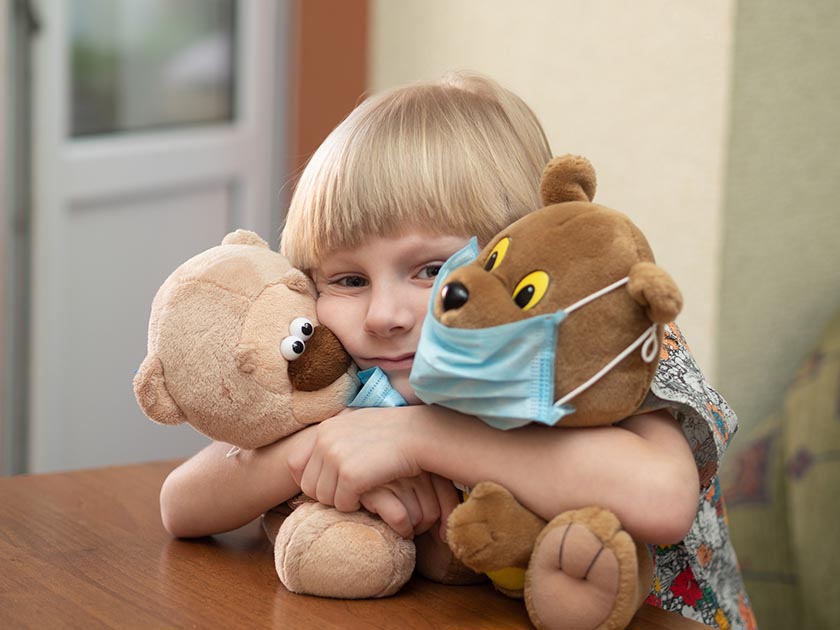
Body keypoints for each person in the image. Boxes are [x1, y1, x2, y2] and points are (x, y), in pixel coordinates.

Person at [160, 72, 755, 629]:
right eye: (348, 280)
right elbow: (181, 505)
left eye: (430, 270)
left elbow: (663, 498)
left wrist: (416, 437)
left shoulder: (602, 335)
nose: (383, 316)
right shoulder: (356, 364)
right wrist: (324, 446)